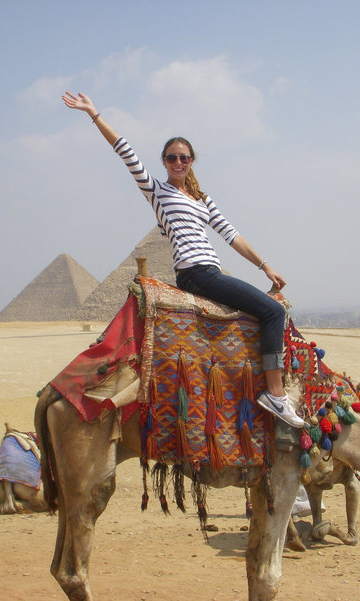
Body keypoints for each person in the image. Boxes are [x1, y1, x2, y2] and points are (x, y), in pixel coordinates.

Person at [62, 91, 305, 428]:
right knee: (273, 310)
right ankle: (276, 396)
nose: (178, 163)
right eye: (172, 158)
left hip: (212, 270)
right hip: (195, 273)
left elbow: (231, 235)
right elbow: (125, 152)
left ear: (192, 161)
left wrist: (265, 266)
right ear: (164, 161)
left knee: (262, 310)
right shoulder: (157, 190)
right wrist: (94, 114)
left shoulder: (204, 200)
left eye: (184, 158)